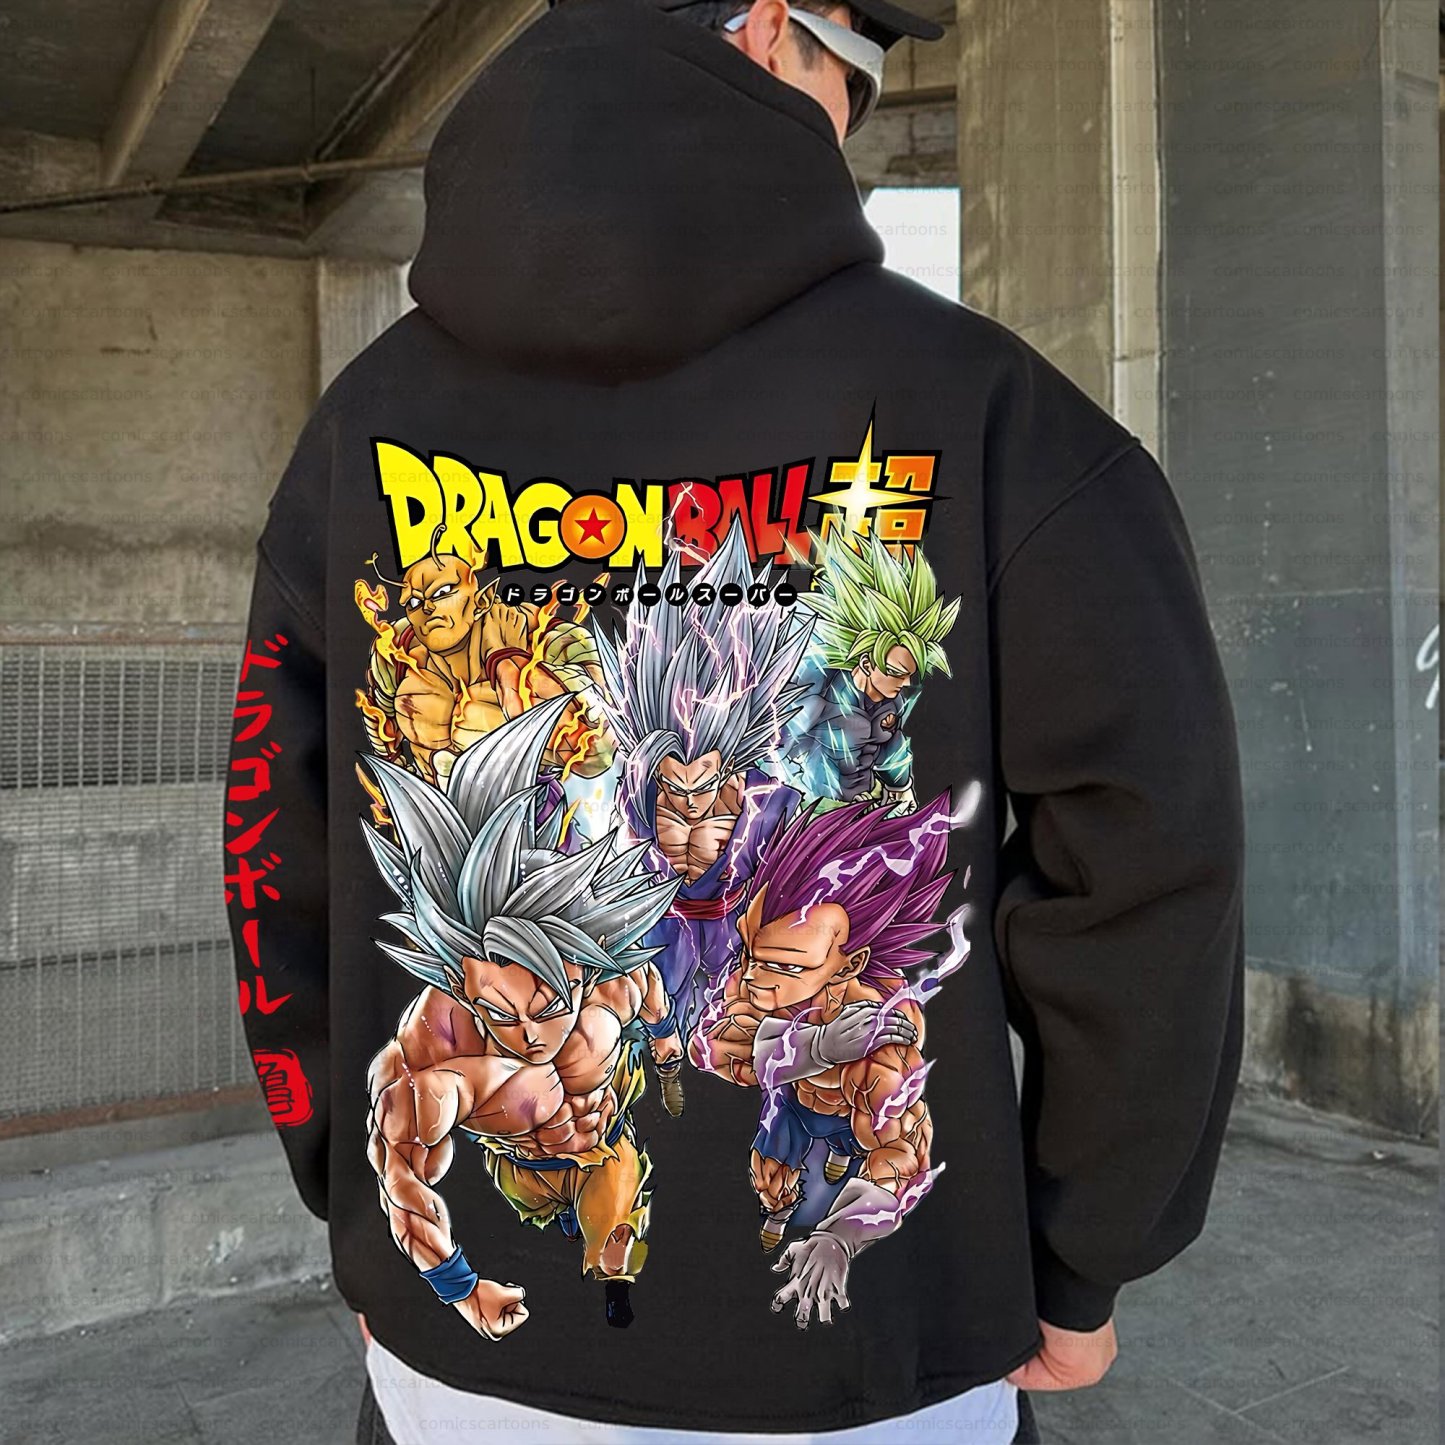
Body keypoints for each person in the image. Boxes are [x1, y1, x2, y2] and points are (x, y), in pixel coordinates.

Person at [224, 1, 1245, 1443]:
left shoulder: (357, 428)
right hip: (874, 1373)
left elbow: (273, 860)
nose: (847, 130)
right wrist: (1088, 1247)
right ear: (769, 31)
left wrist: (362, 1211)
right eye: (854, 80)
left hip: (462, 1378)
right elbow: (1149, 858)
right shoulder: (995, 411)